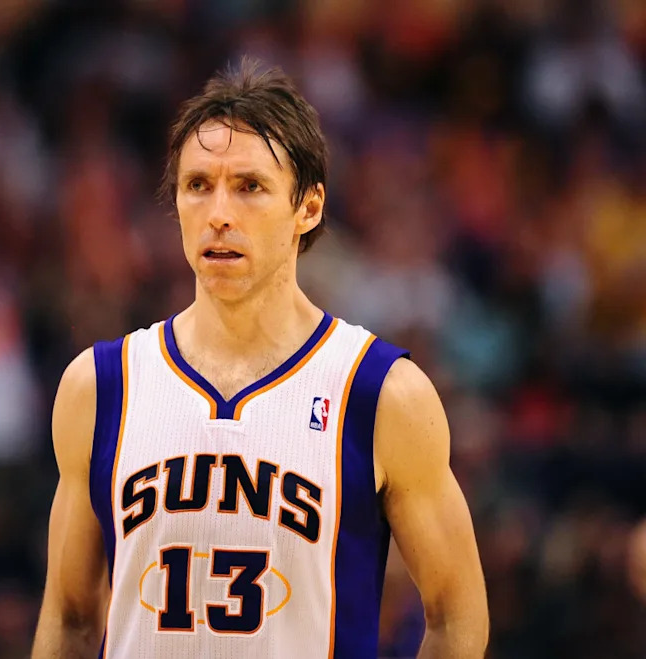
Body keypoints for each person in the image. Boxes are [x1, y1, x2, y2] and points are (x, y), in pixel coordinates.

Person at [32, 59, 489, 658]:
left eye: (249, 187)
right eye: (198, 185)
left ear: (309, 207)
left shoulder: (381, 392)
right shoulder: (99, 386)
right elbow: (68, 621)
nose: (219, 212)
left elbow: (456, 619)